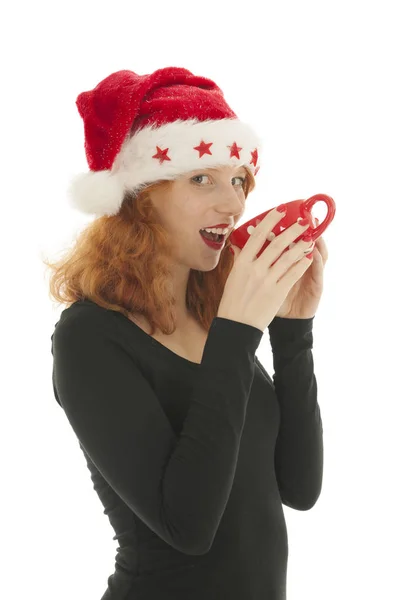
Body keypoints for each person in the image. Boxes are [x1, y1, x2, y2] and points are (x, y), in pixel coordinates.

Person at [47, 66, 324, 599]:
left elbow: (299, 486)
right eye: (202, 179)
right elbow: (189, 526)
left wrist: (293, 331)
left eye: (237, 179)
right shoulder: (88, 338)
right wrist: (239, 331)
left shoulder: (211, 315)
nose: (234, 204)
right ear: (140, 197)